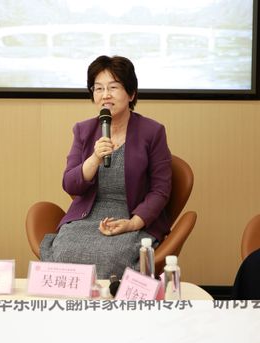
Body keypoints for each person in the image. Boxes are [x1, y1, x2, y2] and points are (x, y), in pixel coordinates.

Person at [40, 56, 172, 279]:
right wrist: (94, 158)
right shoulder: (83, 130)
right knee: (65, 251)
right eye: (98, 88)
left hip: (131, 216)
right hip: (87, 217)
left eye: (113, 87)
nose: (105, 95)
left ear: (131, 94)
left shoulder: (152, 132)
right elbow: (70, 184)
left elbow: (161, 190)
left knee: (112, 256)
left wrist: (133, 223)